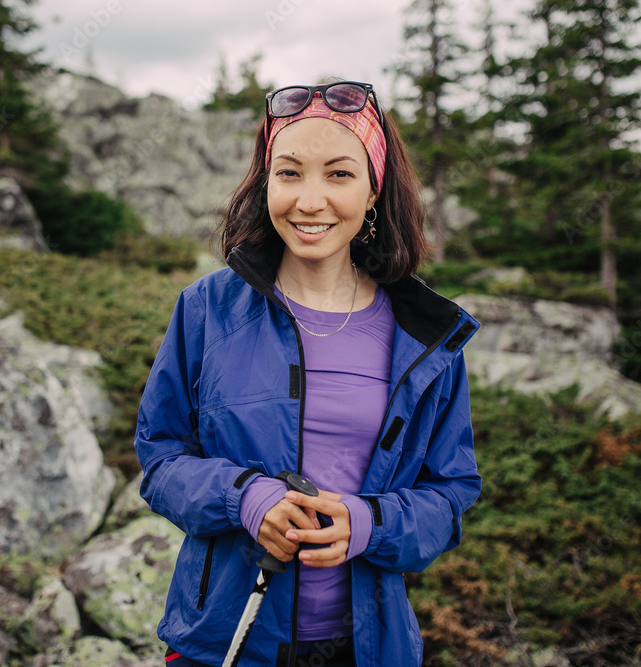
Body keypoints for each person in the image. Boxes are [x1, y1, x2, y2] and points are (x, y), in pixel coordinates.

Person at [134, 80, 481, 667]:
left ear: (374, 190)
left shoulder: (427, 336)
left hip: (367, 649)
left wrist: (370, 523)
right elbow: (161, 459)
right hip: (225, 643)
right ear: (265, 181)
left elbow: (450, 496)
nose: (309, 200)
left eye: (339, 175)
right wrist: (248, 498)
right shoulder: (206, 310)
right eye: (289, 173)